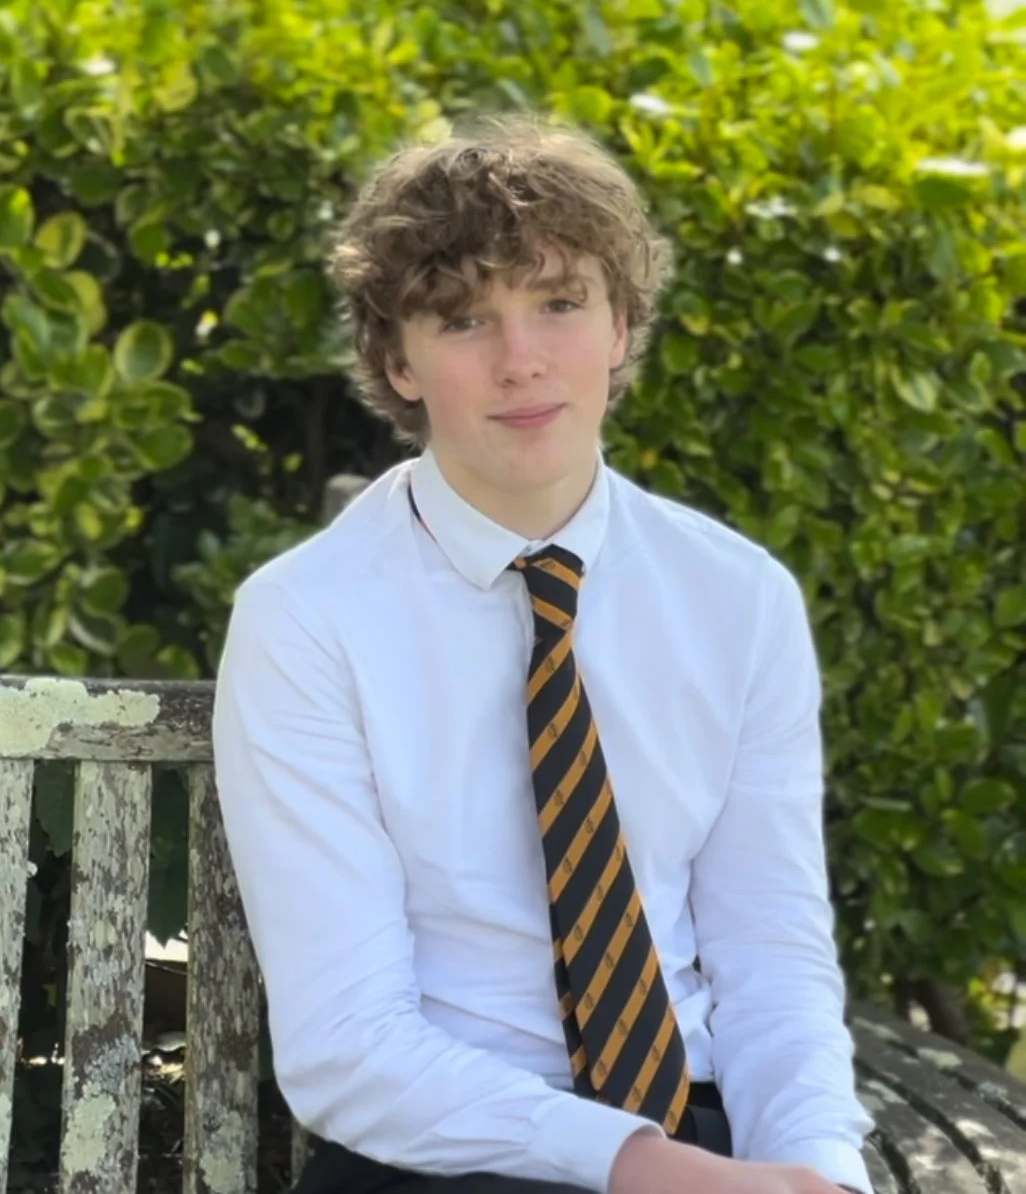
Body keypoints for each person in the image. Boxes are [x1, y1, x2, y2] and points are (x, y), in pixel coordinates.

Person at [212, 111, 875, 1194]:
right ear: (398, 362)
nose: (523, 362)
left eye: (561, 303)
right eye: (466, 321)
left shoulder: (737, 597)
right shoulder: (307, 621)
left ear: (621, 327)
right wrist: (643, 1170)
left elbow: (773, 965)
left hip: (693, 1131)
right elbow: (346, 1045)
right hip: (439, 1142)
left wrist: (816, 1172)